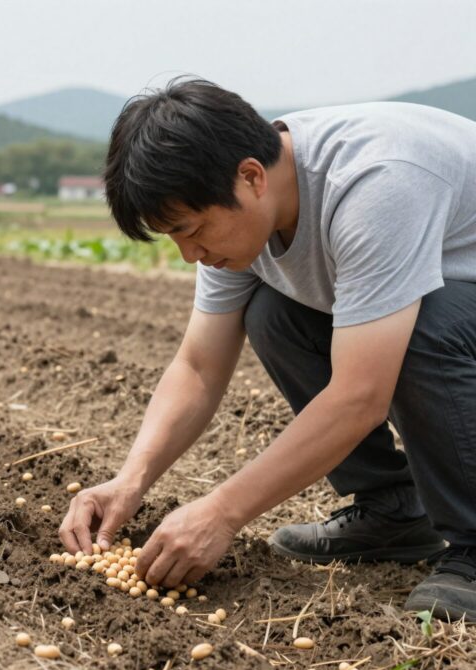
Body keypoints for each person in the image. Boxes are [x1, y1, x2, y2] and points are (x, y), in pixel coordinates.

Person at [58, 77, 476, 622]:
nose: (189, 255)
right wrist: (129, 482)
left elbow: (360, 397)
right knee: (274, 315)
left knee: (424, 324)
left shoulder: (374, 186)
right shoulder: (242, 211)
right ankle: (393, 512)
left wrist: (222, 512)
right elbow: (199, 366)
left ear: (251, 177)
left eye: (192, 230)